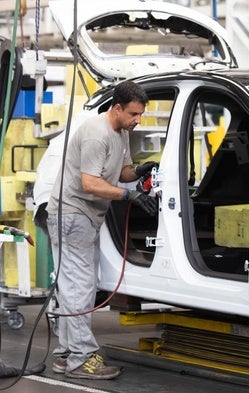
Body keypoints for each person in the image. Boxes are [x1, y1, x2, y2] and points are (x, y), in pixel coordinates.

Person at [46, 80, 158, 380]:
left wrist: (139, 171)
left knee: (75, 286)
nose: (138, 120)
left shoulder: (120, 133)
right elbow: (90, 183)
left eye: (141, 115)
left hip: (84, 216)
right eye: (134, 114)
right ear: (117, 108)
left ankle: (66, 354)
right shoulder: (97, 134)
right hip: (72, 215)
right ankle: (80, 358)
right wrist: (127, 195)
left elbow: (121, 172)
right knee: (79, 287)